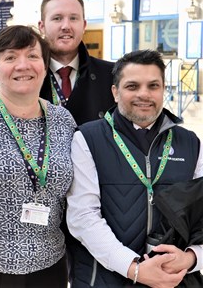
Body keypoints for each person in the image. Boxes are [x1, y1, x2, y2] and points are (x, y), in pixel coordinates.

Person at [66, 49, 203, 287]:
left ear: (163, 90)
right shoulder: (88, 138)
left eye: (153, 86)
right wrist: (134, 268)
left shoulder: (190, 143)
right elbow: (83, 217)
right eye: (132, 86)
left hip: (173, 279)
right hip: (103, 279)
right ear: (115, 92)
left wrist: (191, 258)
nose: (144, 94)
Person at [0, 25, 76, 287]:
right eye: (10, 57)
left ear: (44, 67)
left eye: (32, 56)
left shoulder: (64, 120)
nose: (23, 65)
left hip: (52, 265)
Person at [38, 0, 115, 125]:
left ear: (84, 25)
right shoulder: (25, 77)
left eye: (73, 18)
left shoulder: (111, 75)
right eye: (57, 18)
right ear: (42, 27)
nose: (66, 26)